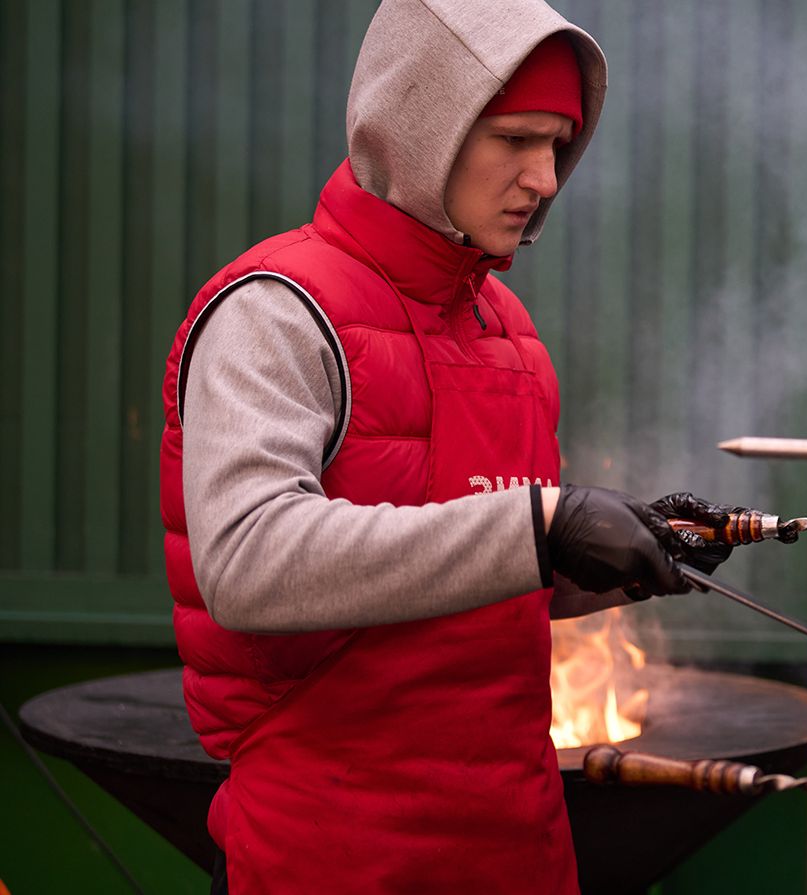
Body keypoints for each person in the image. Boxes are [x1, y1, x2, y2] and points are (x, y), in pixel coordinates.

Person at [157, 1, 734, 891]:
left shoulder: (506, 328)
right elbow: (247, 561)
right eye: (515, 139)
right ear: (425, 128)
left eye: (559, 145)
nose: (545, 177)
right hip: (338, 849)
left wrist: (620, 555)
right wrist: (543, 522)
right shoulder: (273, 309)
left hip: (517, 842)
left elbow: (473, 582)